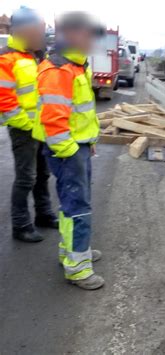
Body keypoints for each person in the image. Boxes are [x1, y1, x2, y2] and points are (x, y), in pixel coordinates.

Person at [33, 12, 105, 290]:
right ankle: (77, 268)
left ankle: (73, 253)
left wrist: (89, 141)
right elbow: (54, 121)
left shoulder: (77, 66)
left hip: (78, 147)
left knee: (72, 205)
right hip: (68, 151)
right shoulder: (60, 70)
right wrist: (71, 151)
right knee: (78, 207)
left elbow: (81, 114)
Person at [0, 7, 57, 243]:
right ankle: (21, 225)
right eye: (38, 31)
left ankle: (43, 214)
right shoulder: (7, 57)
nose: (42, 36)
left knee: (43, 174)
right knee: (26, 177)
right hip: (24, 129)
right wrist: (26, 125)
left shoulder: (37, 55)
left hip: (40, 127)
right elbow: (5, 100)